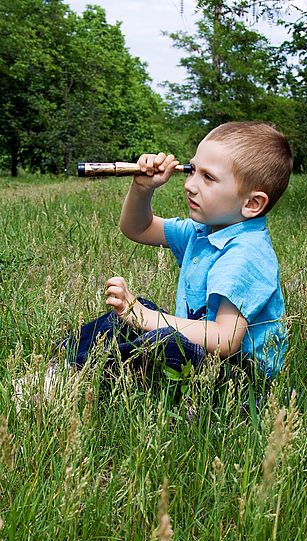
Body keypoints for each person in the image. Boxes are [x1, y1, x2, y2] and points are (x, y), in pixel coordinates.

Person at [64, 121, 293, 380]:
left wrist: (142, 315)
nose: (189, 185)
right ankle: (60, 364)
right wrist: (141, 188)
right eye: (192, 170)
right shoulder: (203, 231)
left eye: (208, 177)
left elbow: (226, 339)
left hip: (240, 376)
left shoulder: (246, 253)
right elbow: (138, 228)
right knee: (125, 321)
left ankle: (78, 377)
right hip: (201, 355)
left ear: (252, 203)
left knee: (158, 334)